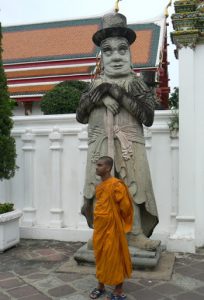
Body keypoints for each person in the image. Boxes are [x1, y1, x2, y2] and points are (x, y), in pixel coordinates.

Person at [76, 12, 160, 250]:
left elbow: (148, 116)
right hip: (100, 145)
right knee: (100, 190)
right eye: (108, 51)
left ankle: (134, 234)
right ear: (101, 56)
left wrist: (114, 91)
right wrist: (100, 94)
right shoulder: (94, 84)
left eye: (122, 50)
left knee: (131, 189)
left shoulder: (135, 83)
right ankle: (102, 233)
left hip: (129, 146)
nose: (115, 57)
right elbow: (81, 115)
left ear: (130, 53)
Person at [90, 156, 133, 300]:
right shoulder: (100, 186)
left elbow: (126, 207)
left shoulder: (116, 185)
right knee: (101, 255)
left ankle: (118, 290)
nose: (97, 167)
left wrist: (116, 219)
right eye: (97, 165)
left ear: (108, 168)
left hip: (113, 227)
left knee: (115, 256)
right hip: (100, 228)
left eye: (100, 165)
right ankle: (100, 286)